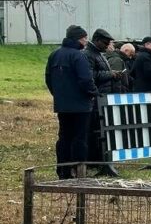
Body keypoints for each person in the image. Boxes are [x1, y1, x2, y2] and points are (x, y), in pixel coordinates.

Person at [45, 25, 99, 179]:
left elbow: (48, 78)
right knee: (80, 139)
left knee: (64, 137)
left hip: (62, 105)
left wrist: (58, 95)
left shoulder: (54, 54)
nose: (86, 41)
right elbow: (86, 80)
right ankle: (79, 170)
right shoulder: (79, 56)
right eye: (84, 38)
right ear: (78, 39)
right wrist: (93, 93)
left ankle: (63, 170)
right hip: (81, 106)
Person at [84, 28, 123, 167]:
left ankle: (100, 158)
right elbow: (91, 76)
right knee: (93, 131)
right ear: (97, 40)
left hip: (103, 97)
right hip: (96, 98)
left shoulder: (99, 54)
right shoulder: (89, 55)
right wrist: (110, 74)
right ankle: (93, 160)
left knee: (101, 130)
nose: (107, 46)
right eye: (105, 43)